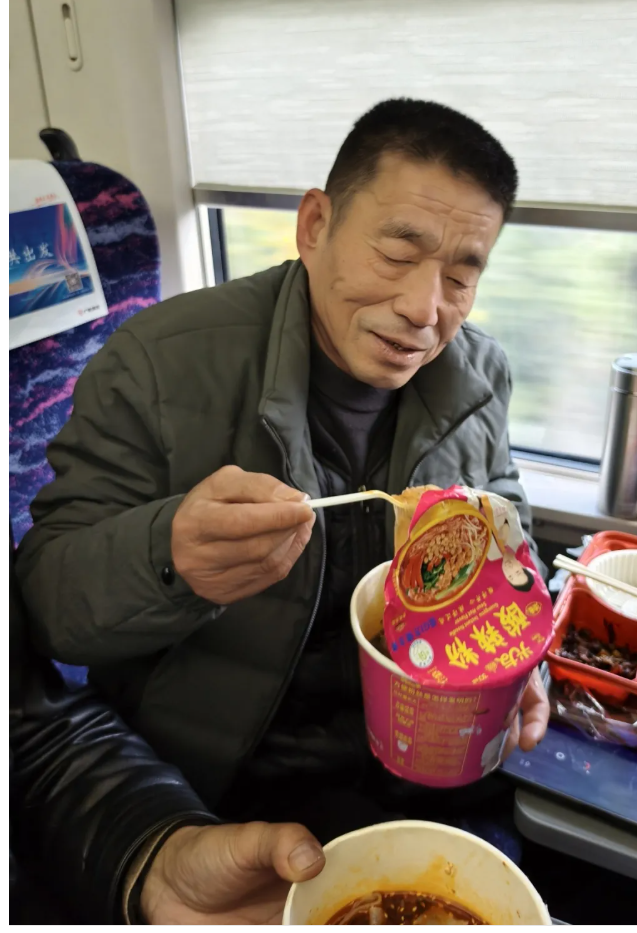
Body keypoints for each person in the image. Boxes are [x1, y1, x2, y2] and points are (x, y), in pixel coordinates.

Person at [16, 99, 549, 836]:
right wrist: (169, 556)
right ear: (315, 226)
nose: (425, 309)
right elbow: (48, 606)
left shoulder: (480, 375)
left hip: (430, 758)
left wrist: (522, 661)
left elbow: (509, 531)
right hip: (225, 790)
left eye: (460, 277)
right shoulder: (155, 364)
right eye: (397, 255)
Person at [9, 539, 325, 924]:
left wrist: (154, 859)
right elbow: (60, 596)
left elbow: (34, 734)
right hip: (220, 770)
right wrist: (165, 546)